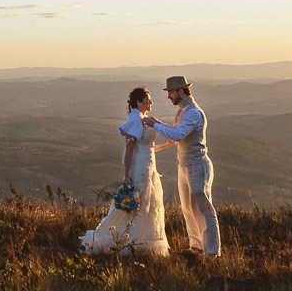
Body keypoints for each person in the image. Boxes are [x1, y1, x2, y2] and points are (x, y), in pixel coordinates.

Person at [80, 87, 169, 256]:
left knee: (145, 206)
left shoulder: (143, 118)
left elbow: (146, 148)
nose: (151, 102)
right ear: (138, 102)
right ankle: (124, 241)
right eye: (147, 100)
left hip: (148, 167)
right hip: (139, 169)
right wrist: (127, 175)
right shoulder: (135, 119)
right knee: (134, 205)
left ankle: (139, 241)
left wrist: (166, 145)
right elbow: (129, 150)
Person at [144, 75, 220, 257]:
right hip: (185, 165)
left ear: (180, 91)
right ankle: (196, 247)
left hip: (197, 165)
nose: (169, 96)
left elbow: (178, 136)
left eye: (170, 92)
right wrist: (160, 124)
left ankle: (211, 253)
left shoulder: (193, 112)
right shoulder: (183, 111)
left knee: (203, 208)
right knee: (188, 208)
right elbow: (177, 131)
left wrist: (154, 125)